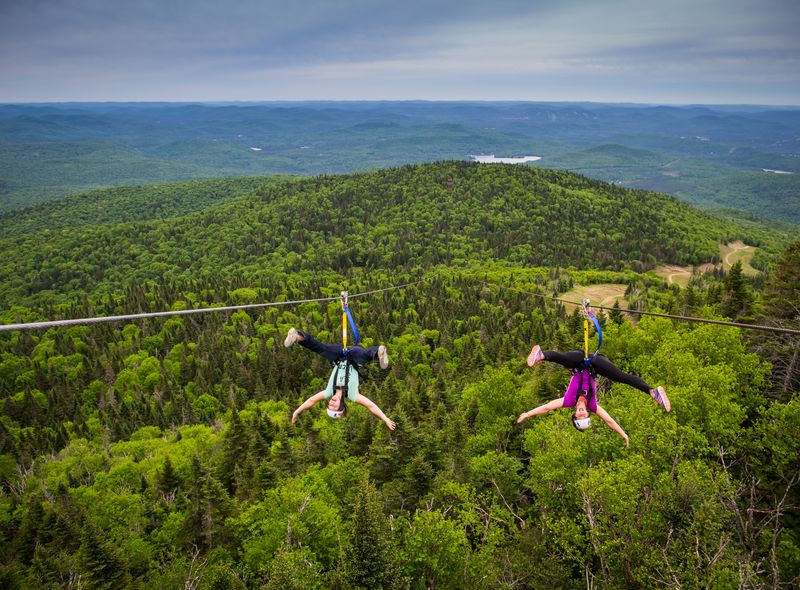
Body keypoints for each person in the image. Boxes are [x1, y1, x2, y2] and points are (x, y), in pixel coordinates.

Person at [517, 343, 670, 444]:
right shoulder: (593, 405)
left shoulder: (568, 401)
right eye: (585, 416)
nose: (582, 414)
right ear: (588, 414)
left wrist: (527, 414)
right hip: (595, 365)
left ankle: (542, 355)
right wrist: (624, 435)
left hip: (577, 361)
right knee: (620, 377)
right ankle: (652, 392)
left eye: (579, 417)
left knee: (565, 360)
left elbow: (546, 407)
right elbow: (609, 421)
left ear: (575, 414)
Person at [285, 328, 396, 430]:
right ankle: (378, 352)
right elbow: (370, 406)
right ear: (341, 406)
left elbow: (311, 401)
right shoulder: (353, 395)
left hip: (338, 356)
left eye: (329, 406)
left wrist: (297, 412)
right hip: (355, 358)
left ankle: (297, 337)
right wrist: (385, 419)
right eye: (334, 407)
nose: (331, 404)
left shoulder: (329, 391)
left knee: (321, 349)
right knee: (365, 355)